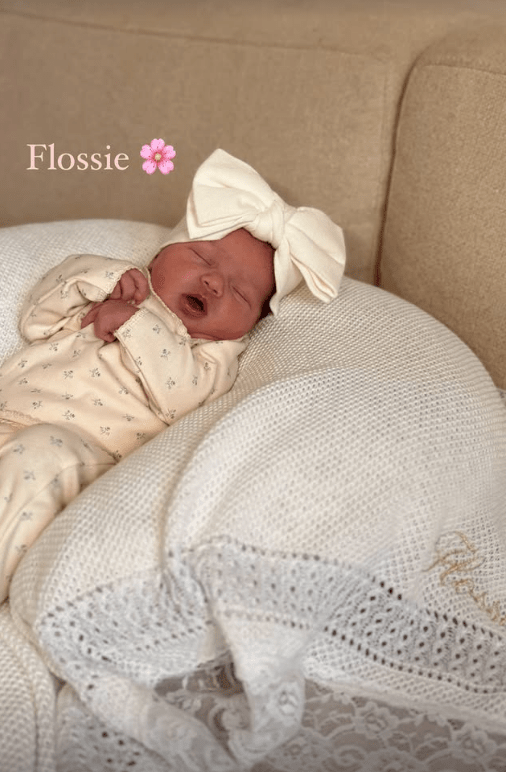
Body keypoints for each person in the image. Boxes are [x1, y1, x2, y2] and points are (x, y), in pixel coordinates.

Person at [0, 148, 346, 603]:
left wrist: (133, 323)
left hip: (79, 453)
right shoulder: (116, 290)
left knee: (41, 459)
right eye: (203, 258)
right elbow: (37, 319)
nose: (215, 282)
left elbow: (179, 397)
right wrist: (106, 279)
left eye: (241, 293)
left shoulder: (212, 355)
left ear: (250, 325)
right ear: (159, 257)